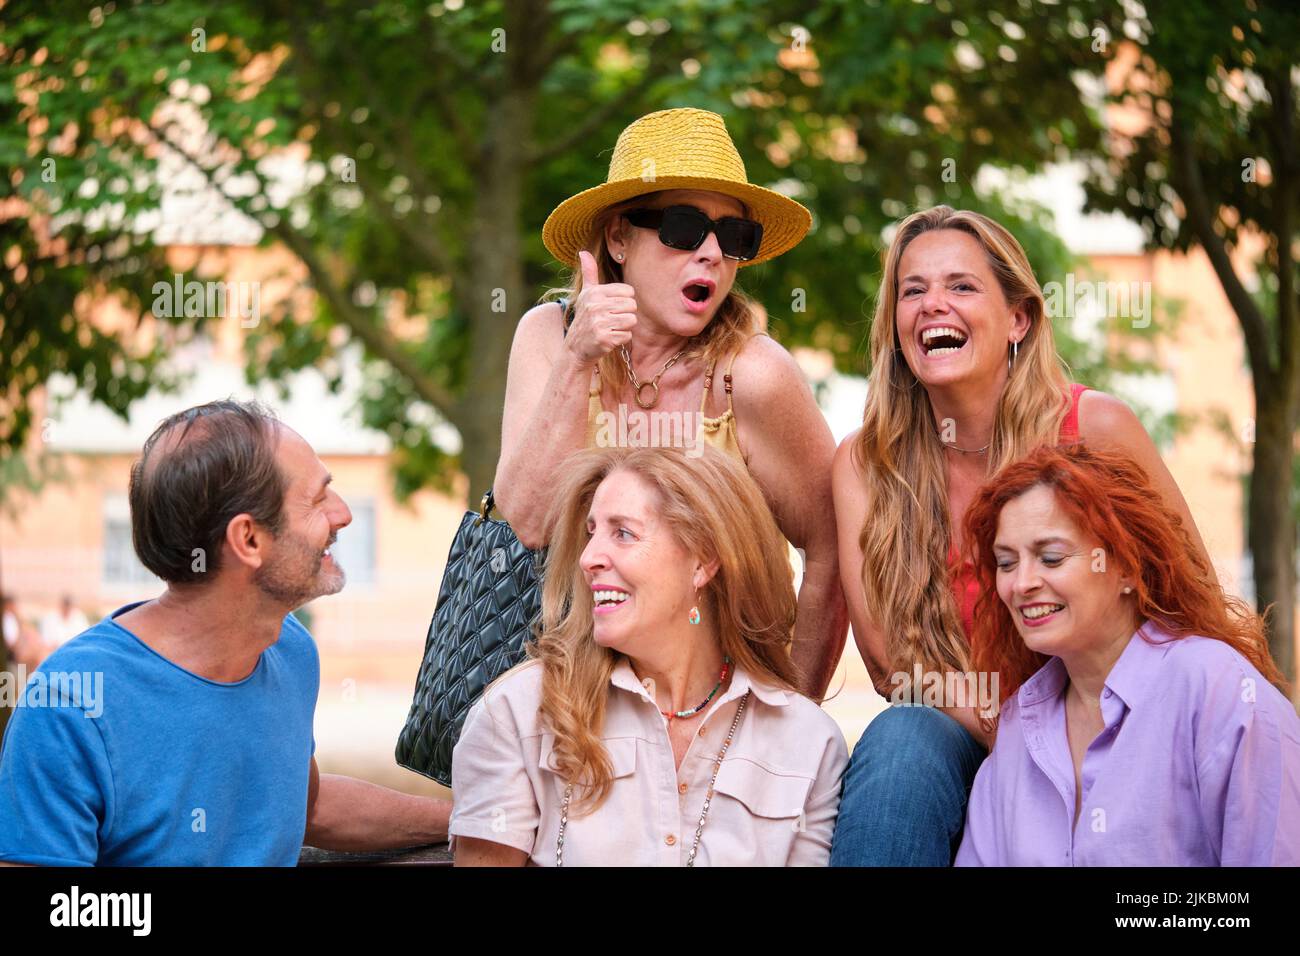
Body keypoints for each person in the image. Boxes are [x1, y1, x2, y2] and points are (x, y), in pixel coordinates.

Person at [830, 205, 1212, 866]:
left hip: (1110, 732)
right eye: (912, 291)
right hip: (960, 734)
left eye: (961, 286)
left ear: (1019, 319)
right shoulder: (865, 465)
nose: (932, 305)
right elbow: (895, 666)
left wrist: (1090, 743)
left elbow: (1193, 603)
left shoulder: (1094, 429)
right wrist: (1018, 740)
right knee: (901, 741)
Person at [0, 400, 449, 866]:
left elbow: (308, 805)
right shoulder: (68, 705)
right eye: (318, 499)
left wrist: (470, 816)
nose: (342, 515)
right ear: (248, 540)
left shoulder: (289, 650)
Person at [495, 107, 846, 700]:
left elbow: (832, 548)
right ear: (617, 238)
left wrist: (791, 713)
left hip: (718, 700)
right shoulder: (549, 338)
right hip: (574, 693)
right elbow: (527, 521)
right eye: (684, 228)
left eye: (735, 237)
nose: (712, 253)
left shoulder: (755, 376)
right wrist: (577, 361)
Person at [450, 446, 848, 866]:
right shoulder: (517, 713)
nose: (588, 559)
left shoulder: (807, 741)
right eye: (591, 534)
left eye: (623, 533)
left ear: (703, 560)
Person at [955, 443, 1299, 866]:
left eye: (1051, 557)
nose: (1022, 583)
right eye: (1006, 563)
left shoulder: (1216, 689)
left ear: (1126, 568)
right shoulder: (1016, 729)